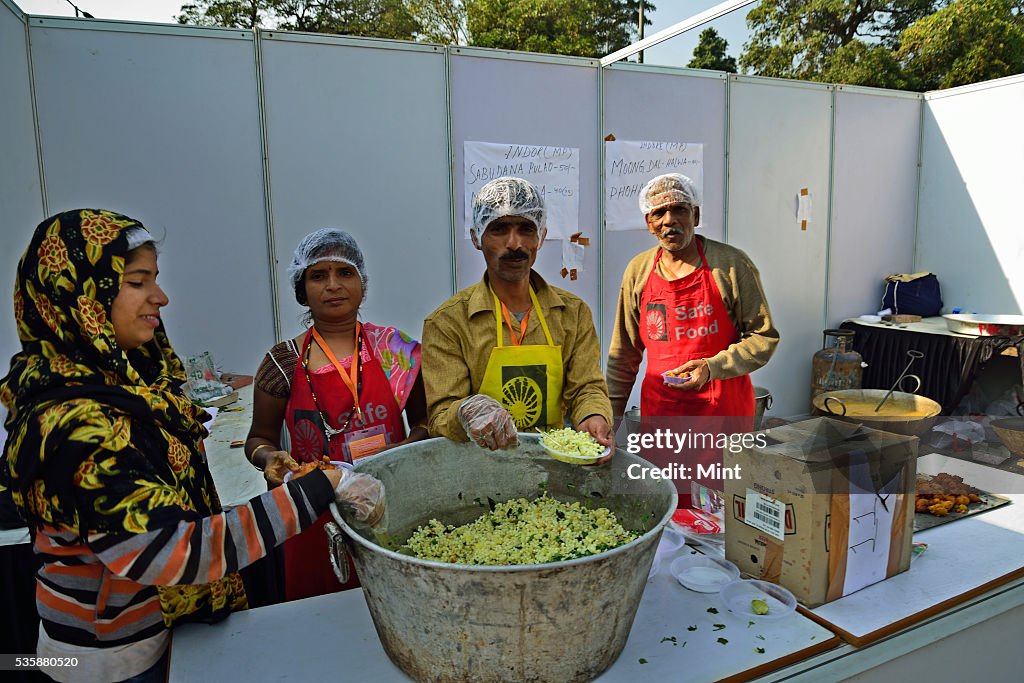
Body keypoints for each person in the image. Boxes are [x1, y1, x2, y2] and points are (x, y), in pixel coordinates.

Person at [0, 210, 383, 683]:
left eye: (154, 280)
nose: (160, 297)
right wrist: (321, 485)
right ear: (82, 296)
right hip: (101, 661)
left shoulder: (123, 389)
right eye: (138, 282)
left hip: (148, 636)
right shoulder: (77, 422)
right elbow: (174, 552)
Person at [246, 228, 426, 601]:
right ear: (302, 289)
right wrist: (269, 457)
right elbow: (258, 438)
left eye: (344, 273)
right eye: (318, 275)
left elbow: (426, 422)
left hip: (387, 505)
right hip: (312, 513)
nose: (333, 285)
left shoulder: (396, 350)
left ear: (362, 283)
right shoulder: (281, 362)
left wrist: (396, 459)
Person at [422, 176, 613, 454]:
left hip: (554, 465)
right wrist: (465, 411)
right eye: (499, 229)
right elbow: (440, 417)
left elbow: (587, 387)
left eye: (526, 229)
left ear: (541, 237)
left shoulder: (572, 313)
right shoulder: (448, 323)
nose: (514, 243)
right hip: (478, 471)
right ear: (477, 237)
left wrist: (592, 416)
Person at [606, 172, 778, 426]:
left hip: (723, 416)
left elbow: (763, 337)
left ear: (695, 216)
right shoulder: (638, 270)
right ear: (649, 222)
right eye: (659, 213)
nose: (669, 220)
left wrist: (712, 368)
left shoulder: (731, 265)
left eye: (679, 210)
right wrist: (610, 420)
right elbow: (624, 355)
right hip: (661, 415)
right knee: (659, 469)